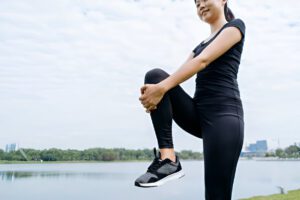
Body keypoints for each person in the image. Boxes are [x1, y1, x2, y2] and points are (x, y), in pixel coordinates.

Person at [135, 0, 245, 199]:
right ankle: (168, 159)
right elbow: (175, 77)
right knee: (155, 77)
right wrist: (155, 95)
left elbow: (202, 61)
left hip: (224, 118)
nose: (200, 5)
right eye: (196, 3)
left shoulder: (235, 27)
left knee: (215, 195)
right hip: (198, 114)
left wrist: (161, 90)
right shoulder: (199, 46)